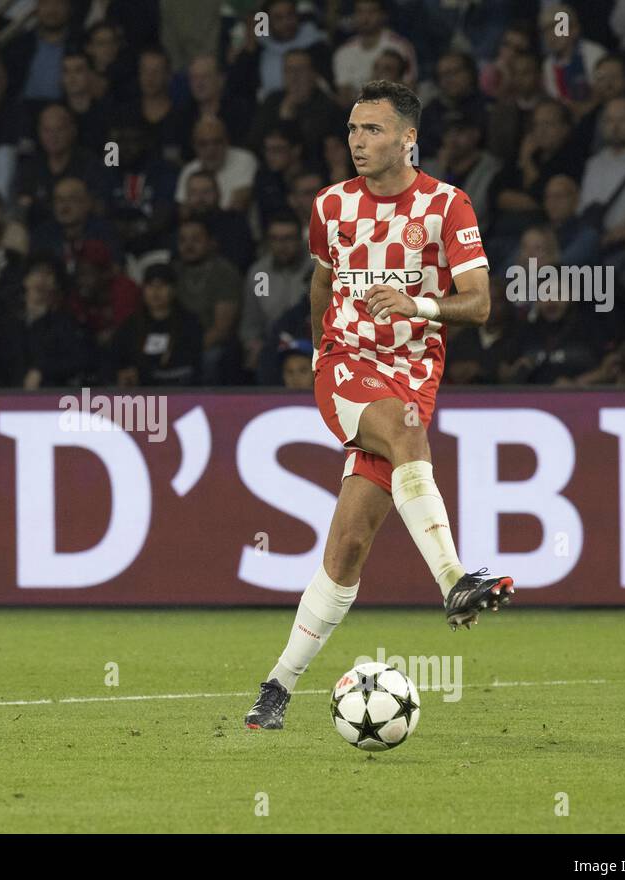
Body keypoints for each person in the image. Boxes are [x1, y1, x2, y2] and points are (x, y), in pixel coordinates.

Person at [244, 81, 515, 732]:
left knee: (349, 546)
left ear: (408, 139)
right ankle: (451, 577)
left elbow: (478, 304)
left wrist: (417, 303)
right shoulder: (331, 205)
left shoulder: (448, 206)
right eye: (353, 130)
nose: (357, 142)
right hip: (346, 368)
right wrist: (319, 356)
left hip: (413, 373)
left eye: (372, 130)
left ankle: (276, 688)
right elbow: (322, 282)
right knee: (403, 429)